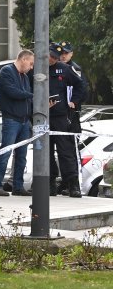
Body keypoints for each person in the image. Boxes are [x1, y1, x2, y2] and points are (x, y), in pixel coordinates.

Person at [0, 50, 35, 197]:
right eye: (31, 63)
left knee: (21, 155)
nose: (31, 67)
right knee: (5, 152)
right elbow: (13, 92)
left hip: (24, 120)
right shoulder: (7, 71)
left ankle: (18, 186)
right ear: (23, 59)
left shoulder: (25, 77)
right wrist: (33, 95)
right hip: (11, 119)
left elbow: (27, 97)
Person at [48, 42, 86, 198]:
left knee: (66, 152)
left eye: (55, 57)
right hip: (42, 118)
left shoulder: (64, 69)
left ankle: (73, 185)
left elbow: (81, 85)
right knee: (45, 154)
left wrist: (74, 102)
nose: (53, 59)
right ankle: (49, 184)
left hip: (61, 117)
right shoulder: (35, 69)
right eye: (51, 56)